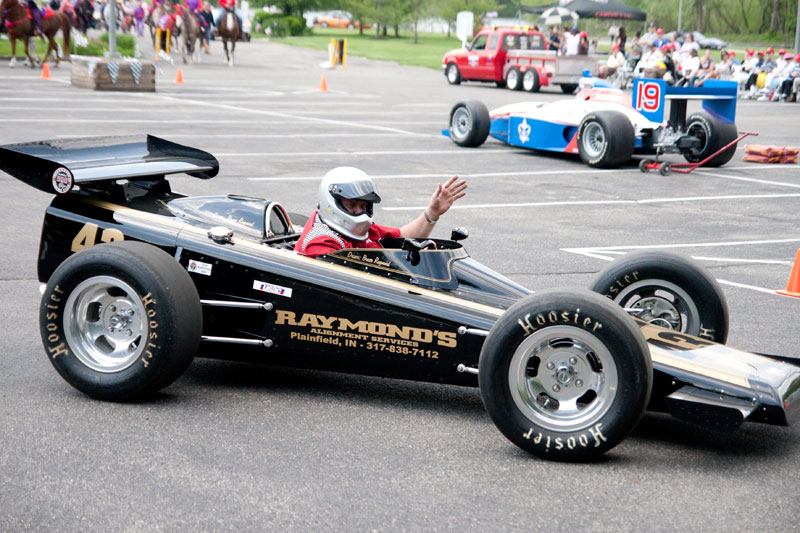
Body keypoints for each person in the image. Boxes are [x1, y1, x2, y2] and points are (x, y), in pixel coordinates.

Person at [295, 169, 467, 258]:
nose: (359, 211)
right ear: (331, 203)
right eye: (352, 205)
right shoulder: (321, 244)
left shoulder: (357, 230)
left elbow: (402, 237)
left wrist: (432, 213)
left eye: (363, 206)